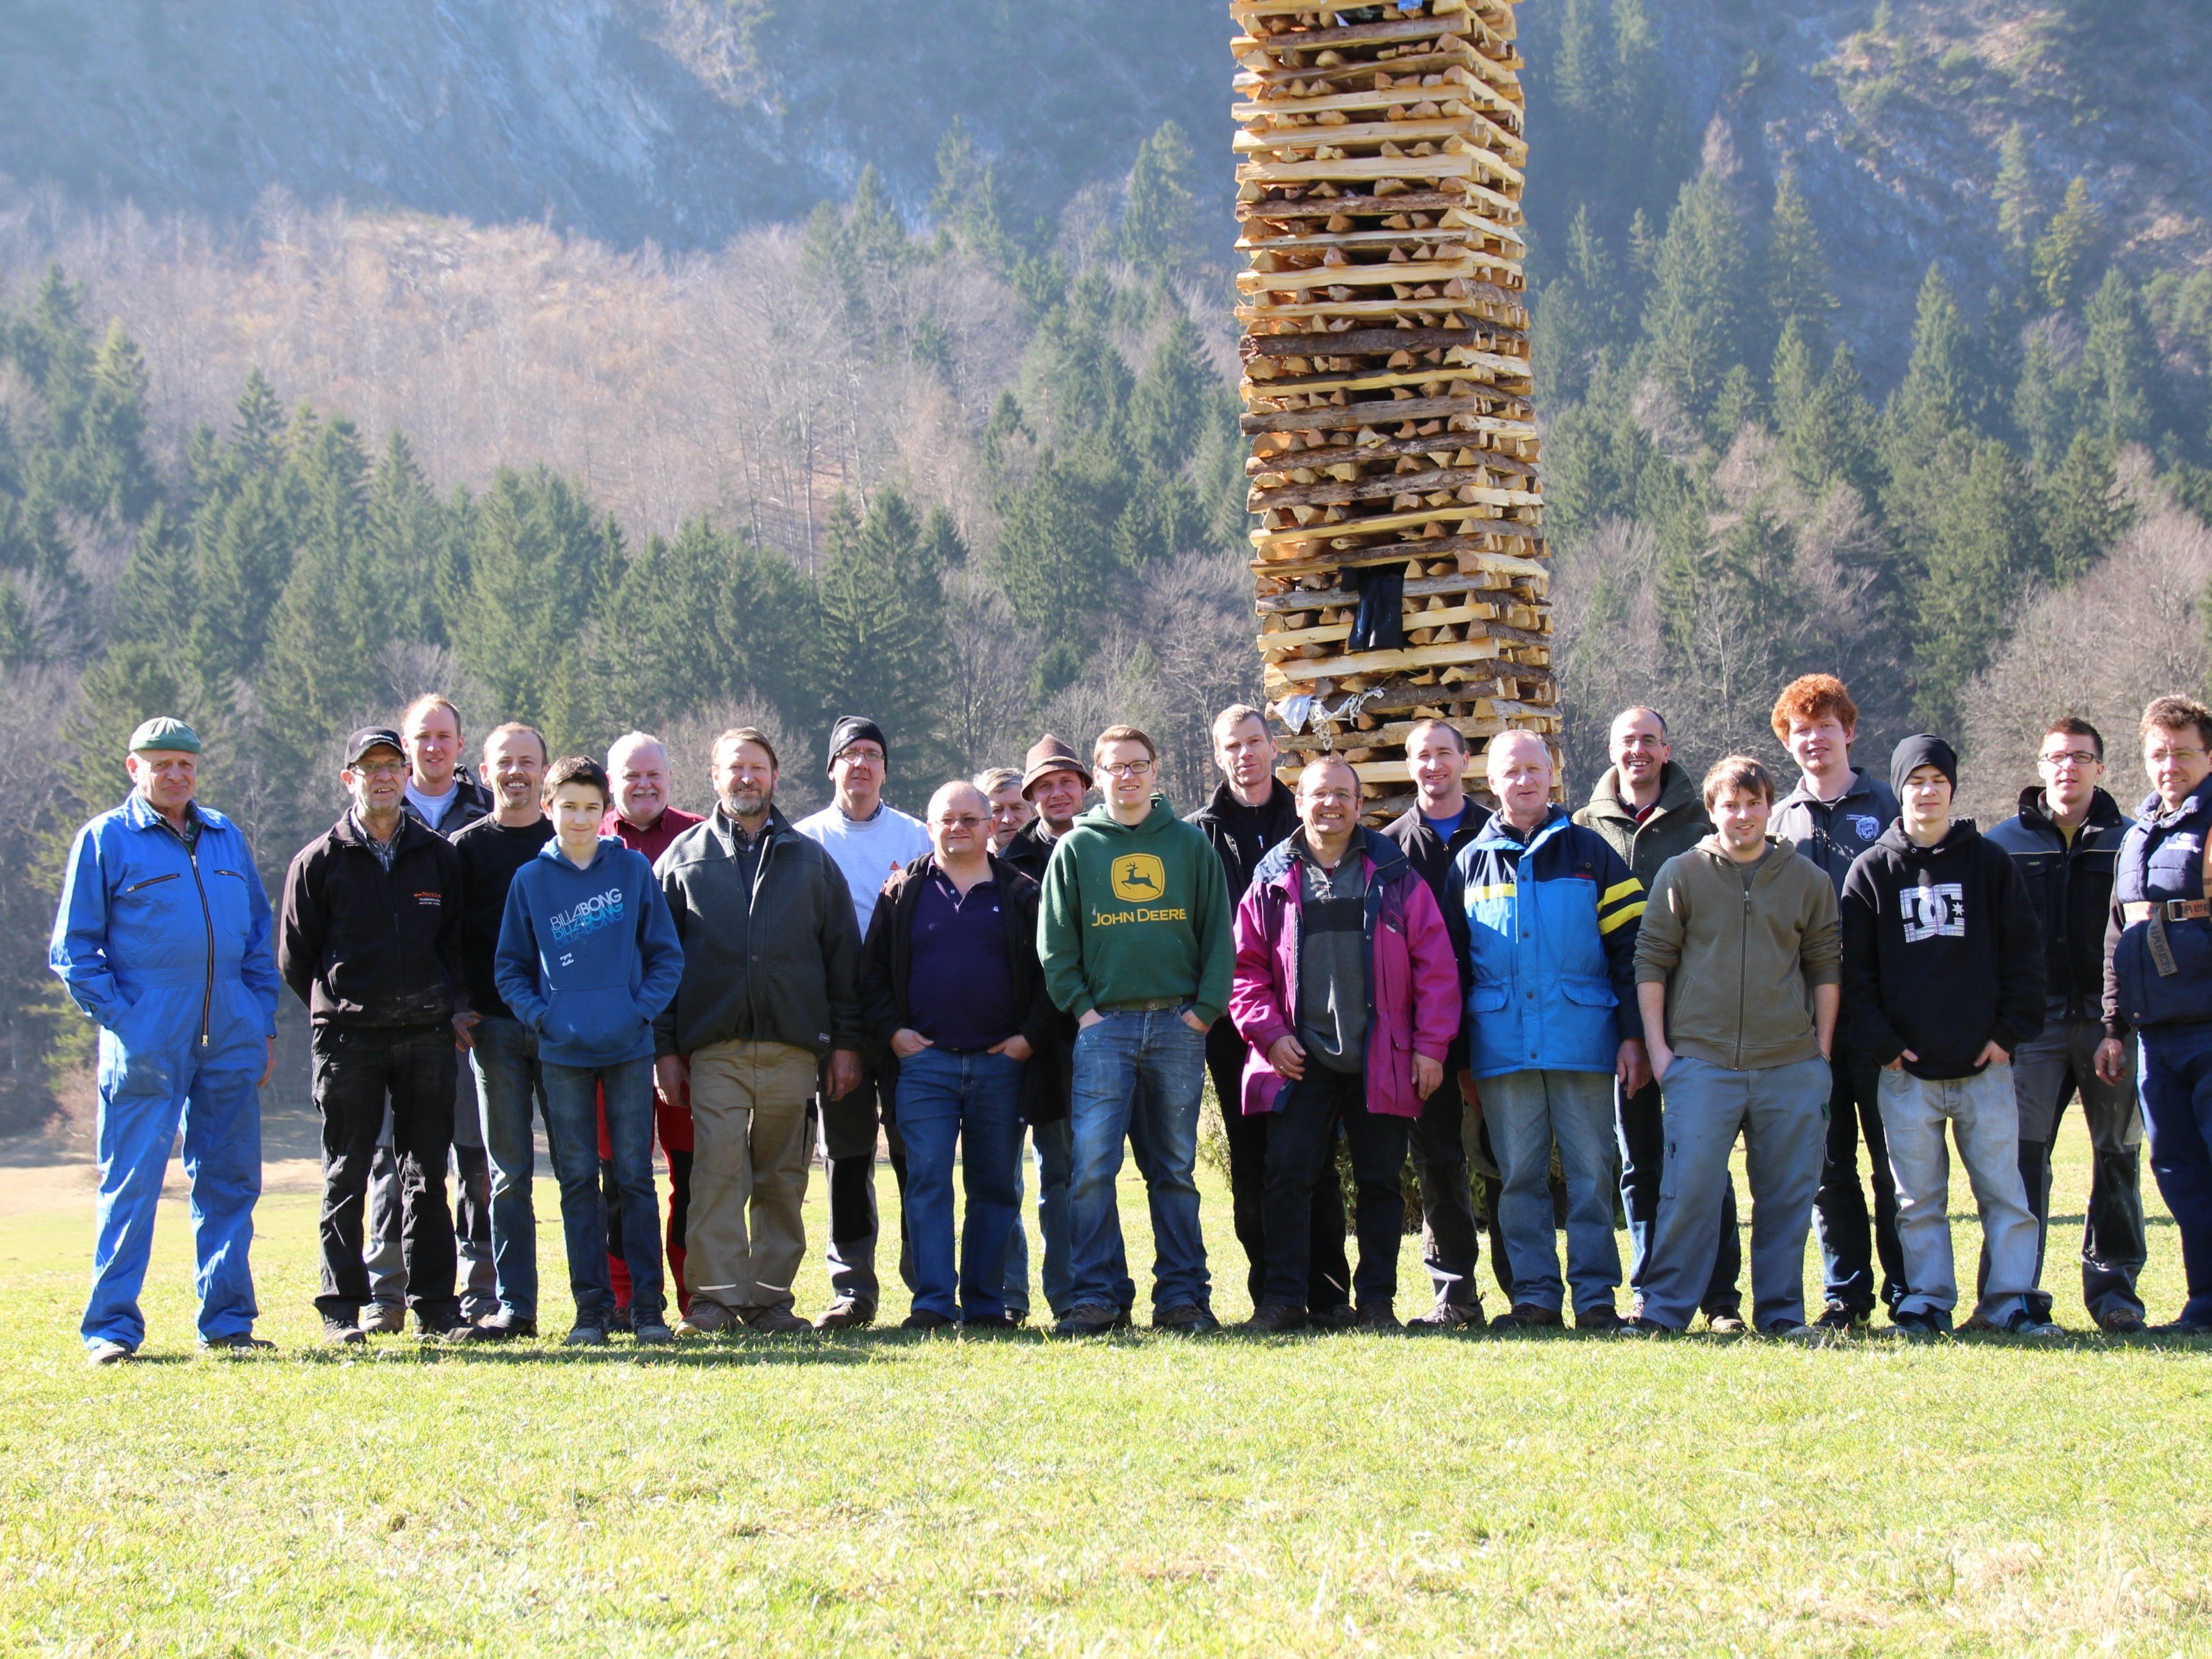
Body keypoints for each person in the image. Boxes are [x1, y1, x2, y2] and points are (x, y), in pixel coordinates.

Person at [51, 717, 282, 1364]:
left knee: (231, 1183)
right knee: (132, 1185)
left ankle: (229, 1322)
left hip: (231, 1039)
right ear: (134, 768)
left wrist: (260, 1021)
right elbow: (74, 951)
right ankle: (111, 1331)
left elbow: (257, 941)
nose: (175, 774)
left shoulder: (225, 836)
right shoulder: (105, 840)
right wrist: (128, 1018)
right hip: (147, 1044)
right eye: (161, 764)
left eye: (185, 762)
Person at [1230, 756, 1460, 1330]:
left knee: (1380, 1183)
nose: (1329, 804)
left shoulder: (1394, 875)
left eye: (1341, 795)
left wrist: (1431, 1047)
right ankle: (1283, 1300)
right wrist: (1271, 1035)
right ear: (1299, 802)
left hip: (1380, 1058)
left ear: (1360, 806)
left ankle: (1376, 1302)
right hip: (1298, 1060)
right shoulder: (1271, 878)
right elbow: (1243, 972)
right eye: (1317, 794)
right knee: (1286, 1178)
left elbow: (1435, 968)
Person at [1842, 735, 2053, 1339]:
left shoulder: (1988, 864)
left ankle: (2010, 1299)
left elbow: (2024, 959)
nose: (1926, 791)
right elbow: (1854, 974)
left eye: (1937, 780)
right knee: (1916, 1200)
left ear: (1951, 789)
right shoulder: (1871, 871)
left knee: (2005, 1196)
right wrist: (1883, 1045)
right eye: (1915, 781)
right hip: (1903, 1073)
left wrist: (2007, 1036)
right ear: (1899, 789)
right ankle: (1926, 1301)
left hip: (1983, 1066)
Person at [656, 727, 863, 1335]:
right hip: (713, 1051)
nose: (745, 778)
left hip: (793, 1051)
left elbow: (841, 963)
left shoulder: (810, 860)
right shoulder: (683, 860)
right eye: (733, 768)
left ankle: (770, 1301)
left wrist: (845, 1045)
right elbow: (659, 965)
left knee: (782, 1178)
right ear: (714, 776)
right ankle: (714, 1302)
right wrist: (664, 1051)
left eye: (757, 768)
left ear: (775, 776)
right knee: (716, 1175)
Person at [1631, 756, 1838, 1338]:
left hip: (1791, 1067)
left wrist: (1820, 1051)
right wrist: (1661, 1051)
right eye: (1729, 805)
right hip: (1701, 1064)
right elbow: (1651, 962)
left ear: (1768, 806)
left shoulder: (1807, 880)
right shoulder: (1682, 873)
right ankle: (1665, 1313)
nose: (1742, 815)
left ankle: (1781, 1316)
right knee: (1687, 1193)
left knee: (1786, 1198)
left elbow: (1825, 964)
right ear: (1712, 810)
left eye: (1752, 803)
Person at [1039, 724, 1233, 1336]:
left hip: (1178, 1023)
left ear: (1155, 772)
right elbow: (1055, 943)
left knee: (1173, 1167)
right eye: (1115, 766)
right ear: (1098, 777)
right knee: (1092, 1166)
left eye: (1137, 765)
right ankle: (1096, 1296)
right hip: (1106, 1027)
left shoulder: (1188, 844)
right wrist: (1083, 1010)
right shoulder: (1076, 848)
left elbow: (1217, 936)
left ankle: (1182, 1298)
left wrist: (1202, 1010)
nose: (1127, 775)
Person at [278, 727, 470, 1344]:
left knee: (426, 1176)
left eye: (393, 765)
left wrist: (447, 1006)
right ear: (348, 779)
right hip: (348, 1039)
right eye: (369, 767)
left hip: (425, 1037)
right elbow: (295, 958)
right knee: (346, 1174)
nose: (383, 776)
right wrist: (340, 1004)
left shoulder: (438, 856)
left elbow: (456, 944)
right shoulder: (318, 861)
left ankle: (435, 1306)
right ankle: (342, 1309)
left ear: (406, 773)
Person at [1455, 729, 1647, 1332]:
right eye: (1510, 772)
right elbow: (1449, 969)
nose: (1524, 780)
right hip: (1501, 1048)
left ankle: (1594, 1300)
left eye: (1534, 769)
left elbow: (1631, 949)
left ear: (1551, 774)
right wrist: (1460, 1057)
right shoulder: (1466, 863)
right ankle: (1534, 1298)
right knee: (1518, 1178)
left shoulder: (1591, 854)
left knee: (1592, 1175)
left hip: (1583, 1043)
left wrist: (1633, 1035)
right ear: (1491, 782)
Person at [494, 756, 685, 1345]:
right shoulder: (531, 880)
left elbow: (665, 956)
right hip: (563, 1053)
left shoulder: (631, 871)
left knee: (634, 1178)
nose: (580, 818)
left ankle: (648, 1309)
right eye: (568, 807)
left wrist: (638, 1010)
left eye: (591, 807)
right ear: (548, 809)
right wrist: (542, 1016)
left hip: (628, 1048)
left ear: (606, 813)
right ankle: (591, 1312)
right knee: (577, 1179)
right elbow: (510, 968)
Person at [861, 781, 1056, 1329]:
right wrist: (893, 1032)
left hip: (1001, 1065)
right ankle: (930, 1303)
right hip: (925, 1065)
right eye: (947, 819)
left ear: (991, 825)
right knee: (926, 1183)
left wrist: (1028, 1038)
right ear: (929, 826)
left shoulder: (1022, 893)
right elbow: (871, 975)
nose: (959, 828)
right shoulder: (902, 892)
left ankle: (986, 1304)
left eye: (971, 818)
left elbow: (1053, 976)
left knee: (994, 1186)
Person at [1573, 706, 1740, 1331]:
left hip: (1698, 1017)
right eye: (1626, 741)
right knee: (1639, 1160)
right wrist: (1621, 1030)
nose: (1637, 751)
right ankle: (1648, 1290)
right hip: (1623, 1023)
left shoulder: (1704, 820)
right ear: (1611, 750)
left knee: (1703, 1159)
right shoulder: (1584, 827)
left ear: (1666, 750)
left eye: (1648, 740)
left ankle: (1720, 1298)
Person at [1186, 705, 1349, 1324]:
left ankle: (1330, 1293)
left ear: (1273, 745)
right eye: (1232, 745)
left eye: (1254, 741)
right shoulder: (1197, 833)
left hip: (1312, 1020)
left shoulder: (1304, 812)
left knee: (1314, 1162)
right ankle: (1273, 1297)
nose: (1245, 754)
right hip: (1235, 1028)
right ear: (1218, 753)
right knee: (1253, 1162)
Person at [1985, 718, 2146, 1332]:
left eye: (2080, 757)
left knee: (2115, 1156)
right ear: (2039, 765)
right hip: (2032, 1028)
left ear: (2099, 769)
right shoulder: (2003, 845)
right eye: (2055, 757)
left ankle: (2114, 1292)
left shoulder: (2129, 841)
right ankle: (2014, 1290)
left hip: (2112, 1027)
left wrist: (2123, 1021)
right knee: (2022, 1161)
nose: (2066, 768)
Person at [1769, 674, 1907, 1331]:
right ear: (1786, 742)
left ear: (1849, 731)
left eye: (1825, 726)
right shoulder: (1775, 819)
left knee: (1893, 1161)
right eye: (1800, 730)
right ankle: (1844, 1297)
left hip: (1879, 1012)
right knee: (1827, 1166)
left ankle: (1908, 1291)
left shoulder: (1887, 805)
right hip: (1801, 1021)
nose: (1813, 739)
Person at [359, 693, 496, 1334]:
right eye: (423, 737)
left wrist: (468, 1006)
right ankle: (386, 1291)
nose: (434, 747)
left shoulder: (489, 814)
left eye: (444, 736)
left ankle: (478, 1292)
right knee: (395, 1161)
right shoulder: (377, 811)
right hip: (394, 1025)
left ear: (460, 746)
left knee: (474, 1159)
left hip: (469, 1023)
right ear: (406, 747)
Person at [793, 716, 931, 1330]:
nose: (861, 765)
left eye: (872, 754)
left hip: (904, 1021)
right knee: (847, 1158)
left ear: (884, 768)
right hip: (835, 1025)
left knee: (914, 1154)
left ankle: (927, 1282)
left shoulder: (916, 835)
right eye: (849, 754)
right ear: (831, 768)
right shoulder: (804, 840)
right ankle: (852, 1288)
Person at [1378, 716, 1502, 1329]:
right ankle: (1455, 1296)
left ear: (1464, 759)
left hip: (1495, 1023)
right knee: (1436, 1163)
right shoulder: (1387, 847)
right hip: (1421, 1030)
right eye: (1421, 756)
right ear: (1409, 765)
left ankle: (1526, 1289)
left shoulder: (1497, 832)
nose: (1432, 766)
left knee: (1502, 1159)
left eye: (1443, 754)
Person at [2095, 695, 2212, 1333]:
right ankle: (2203, 1305)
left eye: (2182, 751)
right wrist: (2112, 1027)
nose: (2168, 764)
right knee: (2180, 1176)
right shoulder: (2136, 835)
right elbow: (2117, 936)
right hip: (2153, 1039)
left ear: (2207, 754)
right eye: (2157, 753)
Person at [446, 723, 555, 1339]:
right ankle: (517, 1307)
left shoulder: (565, 844)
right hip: (493, 1033)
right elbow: (448, 942)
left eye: (528, 762)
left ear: (544, 772)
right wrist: (458, 1005)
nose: (516, 773)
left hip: (566, 1034)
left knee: (577, 1168)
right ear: (483, 773)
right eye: (504, 763)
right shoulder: (459, 851)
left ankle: (599, 1306)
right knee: (507, 1175)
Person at [600, 731, 707, 1321]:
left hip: (685, 1042)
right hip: (610, 1040)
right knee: (620, 1177)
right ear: (613, 782)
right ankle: (626, 1299)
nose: (643, 785)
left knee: (689, 1175)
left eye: (653, 775)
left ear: (670, 777)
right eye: (630, 775)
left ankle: (695, 1298)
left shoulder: (697, 837)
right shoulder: (589, 839)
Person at [996, 734, 1095, 1322]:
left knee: (1081, 1177)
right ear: (1031, 797)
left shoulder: (1111, 847)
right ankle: (1011, 1298)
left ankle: (1077, 1294)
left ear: (1084, 787)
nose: (1056, 793)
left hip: (1103, 1034)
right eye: (1044, 786)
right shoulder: (1009, 867)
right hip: (1034, 1042)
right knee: (1020, 1176)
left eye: (1066, 782)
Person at [976, 767, 1033, 854]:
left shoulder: (1051, 859)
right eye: (997, 810)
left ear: (1034, 812)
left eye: (1017, 808)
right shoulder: (966, 864)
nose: (1008, 819)